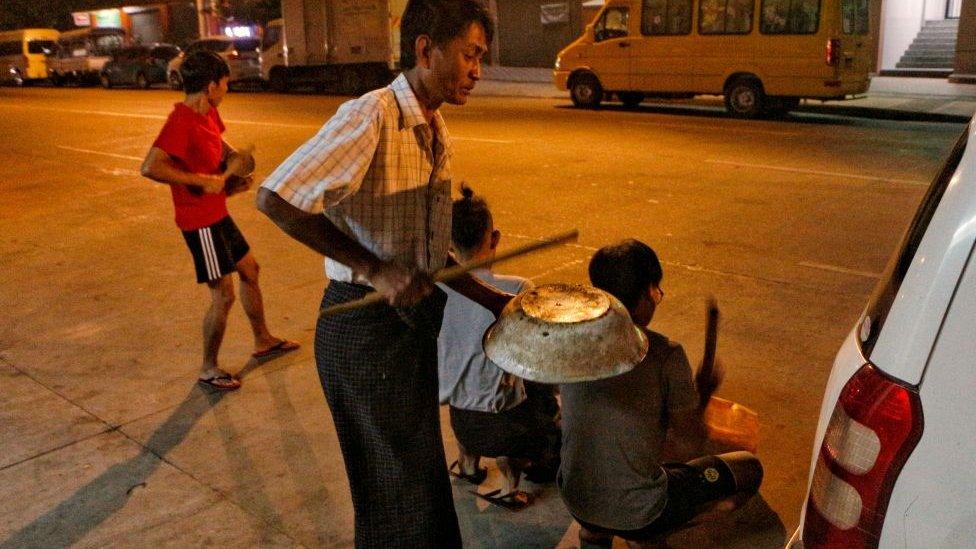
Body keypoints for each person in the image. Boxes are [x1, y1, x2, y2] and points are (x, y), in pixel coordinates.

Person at [256, 1, 511, 546]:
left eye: (481, 58)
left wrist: (492, 301)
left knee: (418, 479)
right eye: (469, 54)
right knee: (393, 490)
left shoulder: (434, 127)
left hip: (408, 328)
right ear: (425, 49)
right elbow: (275, 197)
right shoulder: (370, 116)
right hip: (362, 333)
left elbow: (428, 252)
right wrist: (373, 269)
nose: (477, 70)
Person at [558, 239, 763, 548]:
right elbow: (690, 443)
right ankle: (651, 534)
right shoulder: (664, 355)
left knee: (633, 447)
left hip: (576, 499)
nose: (656, 299)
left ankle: (595, 533)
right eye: (655, 291)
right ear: (644, 296)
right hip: (640, 512)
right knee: (747, 468)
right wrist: (703, 393)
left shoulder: (568, 341)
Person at [141, 51, 299, 391]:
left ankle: (263, 340)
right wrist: (201, 180)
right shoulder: (180, 122)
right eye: (225, 82)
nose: (227, 88)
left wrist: (233, 166)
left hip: (217, 212)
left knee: (250, 270)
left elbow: (219, 143)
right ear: (211, 85)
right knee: (223, 294)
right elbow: (150, 167)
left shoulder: (208, 112)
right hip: (199, 222)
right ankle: (208, 368)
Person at [438, 185, 560, 510]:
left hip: (459, 418)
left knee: (469, 377)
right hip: (503, 424)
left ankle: (467, 466)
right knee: (545, 407)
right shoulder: (516, 289)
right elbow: (537, 353)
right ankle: (509, 487)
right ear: (494, 239)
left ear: (447, 246)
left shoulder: (435, 290)